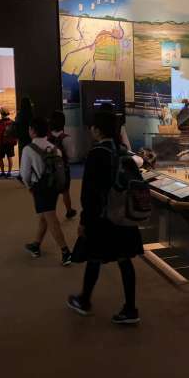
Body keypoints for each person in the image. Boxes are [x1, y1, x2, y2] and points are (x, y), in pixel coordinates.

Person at [67, 111, 144, 324]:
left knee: (94, 257)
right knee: (125, 259)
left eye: (92, 127)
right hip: (124, 215)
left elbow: (89, 193)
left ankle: (84, 300)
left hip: (102, 217)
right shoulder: (123, 152)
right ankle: (130, 308)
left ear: (97, 130)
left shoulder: (97, 153)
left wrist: (84, 221)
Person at [20, 116, 72, 267]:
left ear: (33, 131)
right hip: (54, 187)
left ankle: (65, 252)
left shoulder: (28, 149)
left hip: (40, 188)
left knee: (51, 218)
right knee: (45, 215)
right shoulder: (55, 148)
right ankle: (36, 245)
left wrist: (29, 187)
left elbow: (24, 174)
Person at [48, 110, 77, 219]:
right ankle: (69, 210)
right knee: (65, 191)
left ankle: (50, 213)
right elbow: (71, 156)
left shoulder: (46, 138)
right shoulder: (66, 138)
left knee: (51, 193)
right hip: (63, 170)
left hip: (49, 170)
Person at [0, 107, 16, 178]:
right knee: (9, 157)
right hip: (10, 143)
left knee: (0, 157)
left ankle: (3, 172)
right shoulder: (12, 122)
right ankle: (9, 173)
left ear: (1, 114)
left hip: (1, 143)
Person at [15, 97, 33, 163]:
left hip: (21, 138)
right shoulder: (31, 114)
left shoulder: (19, 114)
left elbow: (16, 125)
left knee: (24, 156)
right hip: (30, 138)